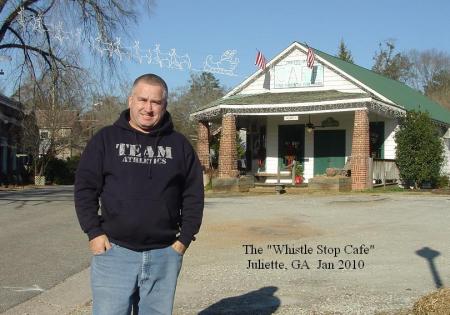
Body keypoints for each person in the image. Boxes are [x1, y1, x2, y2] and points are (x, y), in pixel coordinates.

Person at [74, 73, 204, 315]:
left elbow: (193, 195)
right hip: (114, 251)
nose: (148, 108)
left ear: (164, 106)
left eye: (156, 102)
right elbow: (85, 189)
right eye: (142, 100)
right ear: (130, 100)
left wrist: (184, 239)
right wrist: (94, 232)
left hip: (164, 254)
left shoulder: (179, 145)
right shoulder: (105, 140)